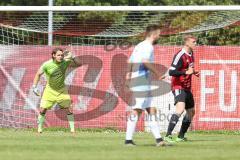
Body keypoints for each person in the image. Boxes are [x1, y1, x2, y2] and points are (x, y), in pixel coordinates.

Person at [125, 25, 169, 147]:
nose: (159, 36)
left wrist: (128, 75)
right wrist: (158, 74)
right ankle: (128, 140)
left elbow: (130, 61)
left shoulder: (139, 45)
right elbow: (145, 61)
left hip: (141, 79)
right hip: (141, 80)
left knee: (151, 109)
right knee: (137, 109)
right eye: (158, 34)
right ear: (153, 34)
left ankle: (159, 140)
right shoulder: (148, 46)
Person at [33, 48, 81, 133]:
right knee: (42, 109)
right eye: (58, 55)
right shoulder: (47, 64)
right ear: (53, 55)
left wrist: (73, 56)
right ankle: (39, 129)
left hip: (61, 90)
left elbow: (79, 64)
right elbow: (38, 74)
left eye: (62, 55)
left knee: (69, 109)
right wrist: (34, 87)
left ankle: (73, 130)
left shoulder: (65, 62)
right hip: (49, 90)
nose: (61, 57)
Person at [164, 35, 199, 143]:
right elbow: (171, 72)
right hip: (178, 86)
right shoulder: (180, 55)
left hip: (187, 87)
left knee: (191, 112)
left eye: (196, 42)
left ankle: (180, 136)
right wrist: (185, 72)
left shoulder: (191, 54)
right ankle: (168, 135)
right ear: (187, 43)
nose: (195, 43)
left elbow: (188, 69)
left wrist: (194, 72)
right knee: (180, 109)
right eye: (193, 42)